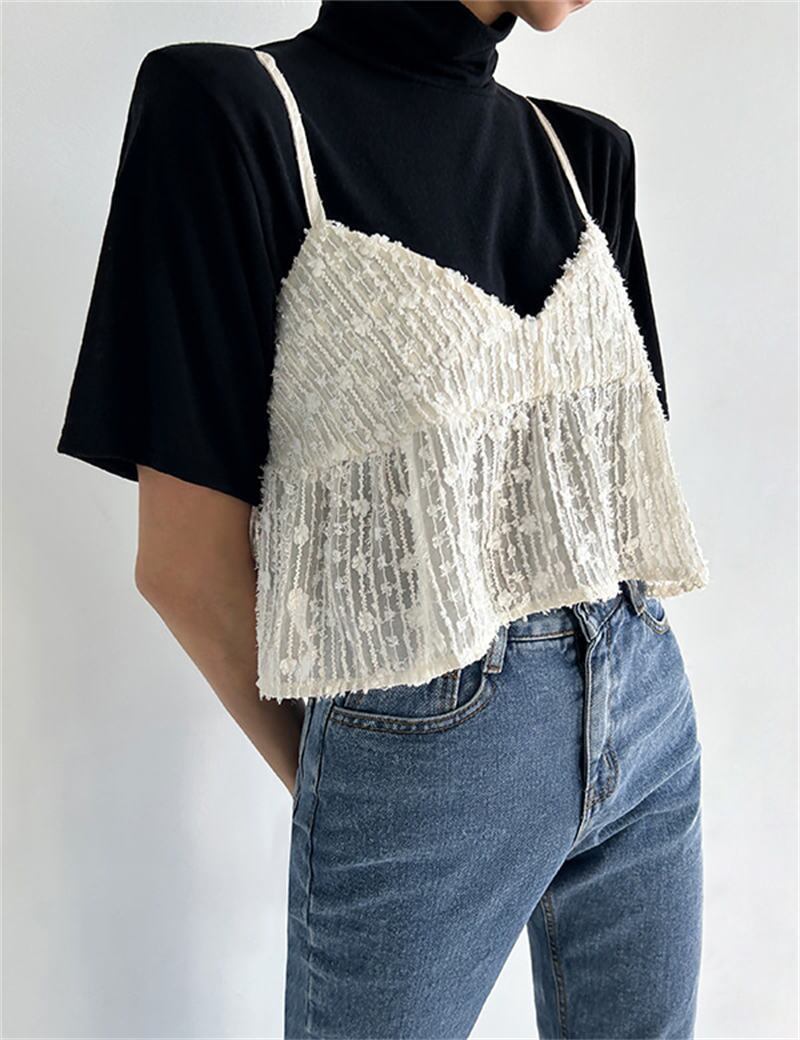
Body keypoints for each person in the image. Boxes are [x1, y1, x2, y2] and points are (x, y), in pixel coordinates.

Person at [56, 1, 711, 1036]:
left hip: (644, 705)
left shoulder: (587, 159)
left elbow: (611, 502)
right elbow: (183, 563)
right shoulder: (235, 111)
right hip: (423, 741)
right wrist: (369, 775)